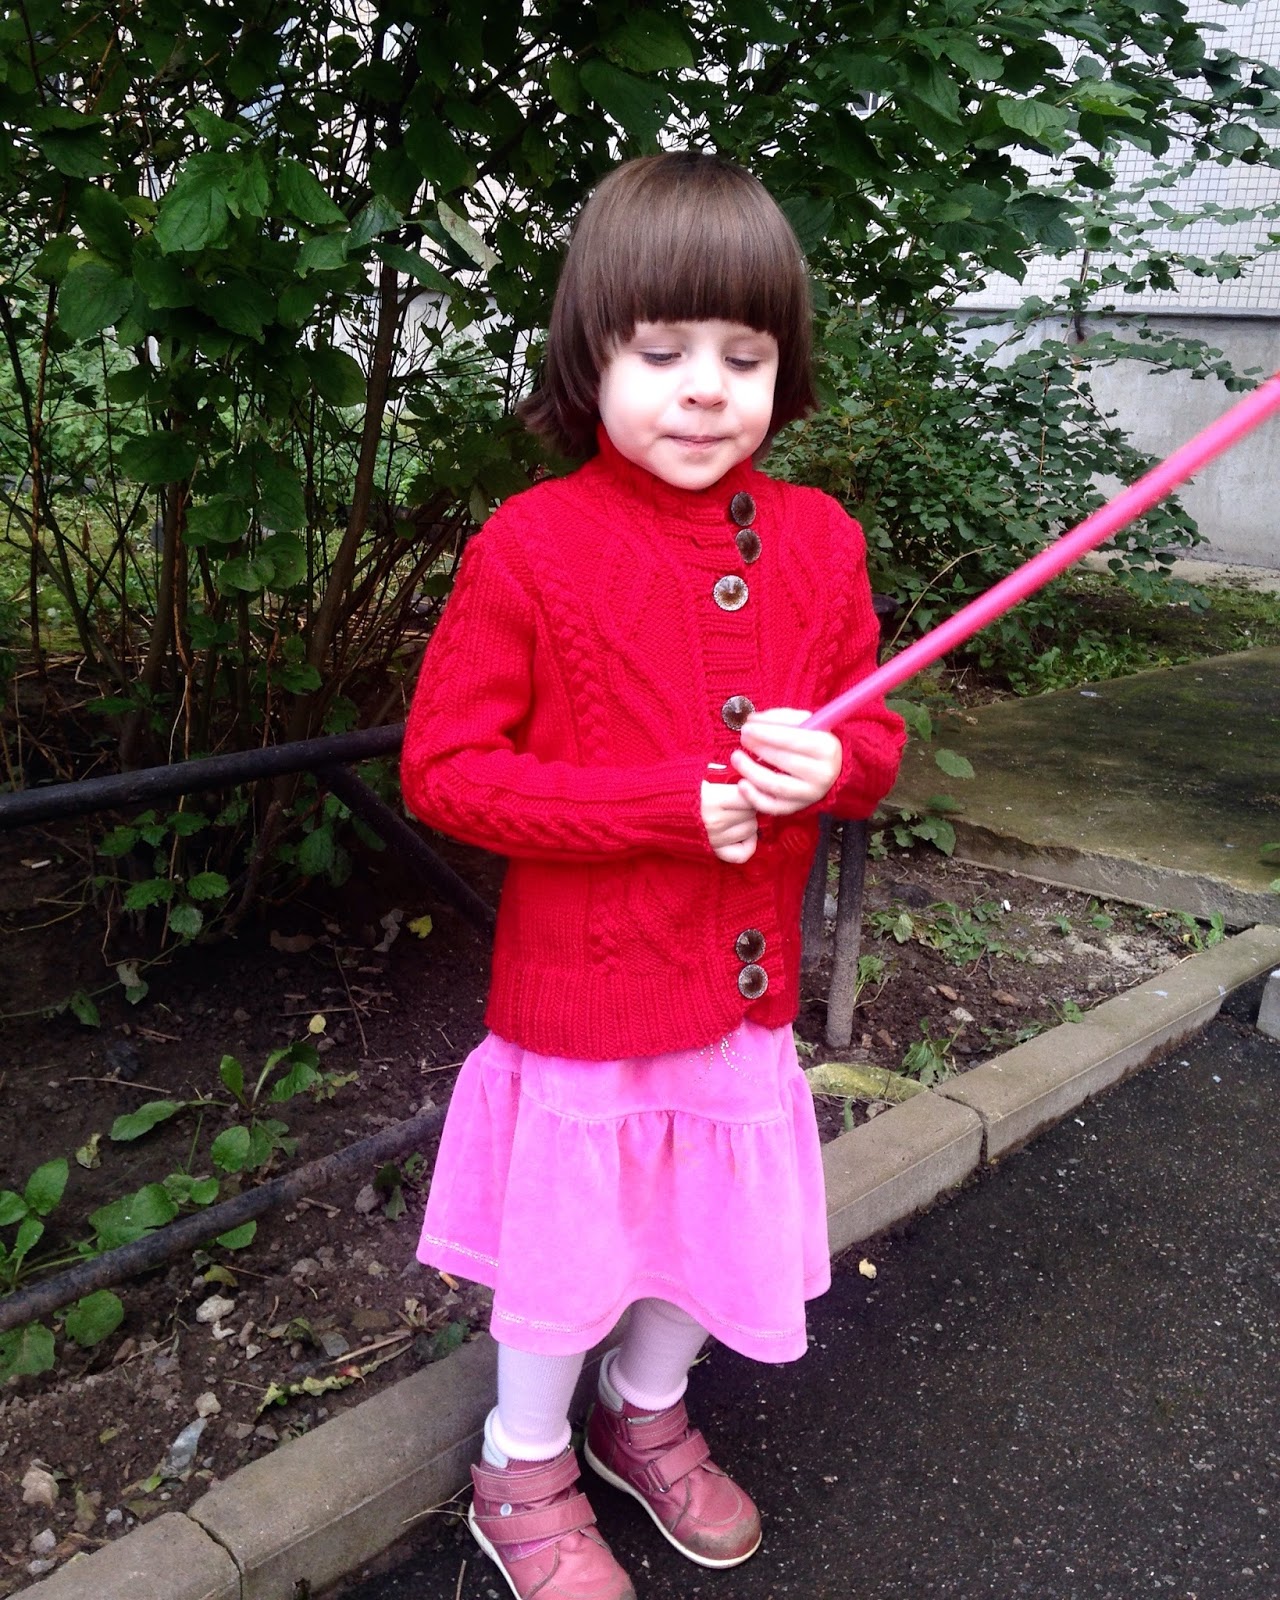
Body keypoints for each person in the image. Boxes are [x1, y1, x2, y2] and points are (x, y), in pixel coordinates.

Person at [401, 150, 906, 1600]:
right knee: (571, 1250)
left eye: (744, 357)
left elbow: (872, 734)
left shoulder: (820, 541)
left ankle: (643, 1407)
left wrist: (837, 765)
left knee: (710, 1225)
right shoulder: (532, 546)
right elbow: (447, 772)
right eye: (663, 352)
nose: (705, 392)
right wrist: (666, 806)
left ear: (783, 369)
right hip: (588, 998)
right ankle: (521, 1459)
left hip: (740, 992)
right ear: (589, 357)